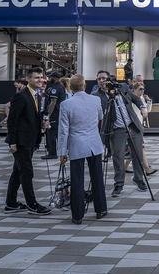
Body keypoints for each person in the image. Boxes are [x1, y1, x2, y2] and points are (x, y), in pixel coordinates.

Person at [57, 74, 108, 224]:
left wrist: (62, 152)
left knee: (77, 180)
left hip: (76, 144)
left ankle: (77, 215)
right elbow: (100, 117)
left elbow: (63, 130)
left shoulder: (66, 104)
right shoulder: (95, 100)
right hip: (94, 142)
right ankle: (101, 209)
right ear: (84, 85)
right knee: (97, 177)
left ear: (70, 87)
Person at [91, 70, 149, 197]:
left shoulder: (121, 88)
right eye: (99, 79)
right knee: (118, 157)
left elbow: (136, 98)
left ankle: (139, 180)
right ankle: (119, 184)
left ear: (110, 79)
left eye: (104, 78)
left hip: (132, 126)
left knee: (138, 155)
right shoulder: (96, 95)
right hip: (116, 130)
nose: (102, 81)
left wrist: (143, 108)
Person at [4, 67, 52, 215]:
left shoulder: (39, 95)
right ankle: (32, 204)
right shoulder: (21, 96)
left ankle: (11, 203)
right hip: (20, 141)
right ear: (28, 79)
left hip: (31, 140)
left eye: (41, 77)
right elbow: (12, 120)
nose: (40, 80)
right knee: (26, 172)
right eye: (36, 78)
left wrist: (44, 123)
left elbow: (36, 116)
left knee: (18, 171)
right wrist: (12, 142)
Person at [125, 82, 157, 176]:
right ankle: (147, 168)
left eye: (143, 89)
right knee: (140, 148)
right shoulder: (131, 99)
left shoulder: (141, 98)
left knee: (134, 149)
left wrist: (149, 101)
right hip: (133, 127)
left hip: (139, 126)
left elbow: (147, 111)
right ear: (134, 90)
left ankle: (124, 167)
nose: (142, 91)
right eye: (140, 89)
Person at [41, 72, 67, 160]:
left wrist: (48, 115)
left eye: (51, 77)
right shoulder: (53, 86)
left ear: (55, 78)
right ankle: (52, 151)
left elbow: (53, 102)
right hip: (55, 113)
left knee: (51, 133)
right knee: (50, 133)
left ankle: (52, 153)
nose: (49, 78)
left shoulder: (56, 88)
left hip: (55, 113)